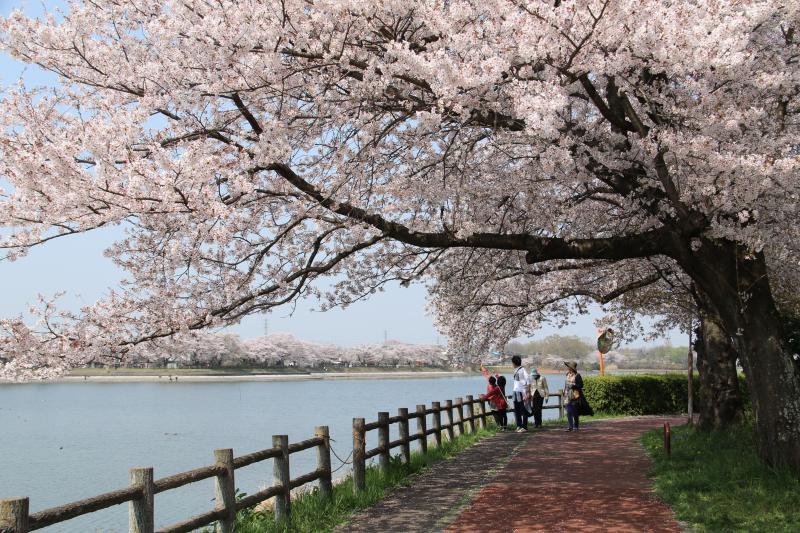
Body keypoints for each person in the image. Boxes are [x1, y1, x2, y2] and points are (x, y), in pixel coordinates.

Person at [511, 355, 531, 432]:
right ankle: (519, 425)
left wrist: (528, 392)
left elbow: (528, 379)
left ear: (515, 363)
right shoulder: (516, 370)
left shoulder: (522, 370)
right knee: (517, 410)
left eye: (512, 363)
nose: (512, 364)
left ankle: (524, 426)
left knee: (523, 409)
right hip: (515, 391)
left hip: (521, 392)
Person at [563, 361, 584, 431]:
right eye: (568, 367)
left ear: (572, 368)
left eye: (569, 367)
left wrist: (573, 385)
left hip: (575, 395)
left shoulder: (577, 375)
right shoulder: (567, 375)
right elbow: (566, 385)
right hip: (567, 395)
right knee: (568, 411)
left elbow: (581, 385)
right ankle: (570, 426)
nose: (568, 368)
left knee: (575, 411)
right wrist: (564, 392)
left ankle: (576, 426)